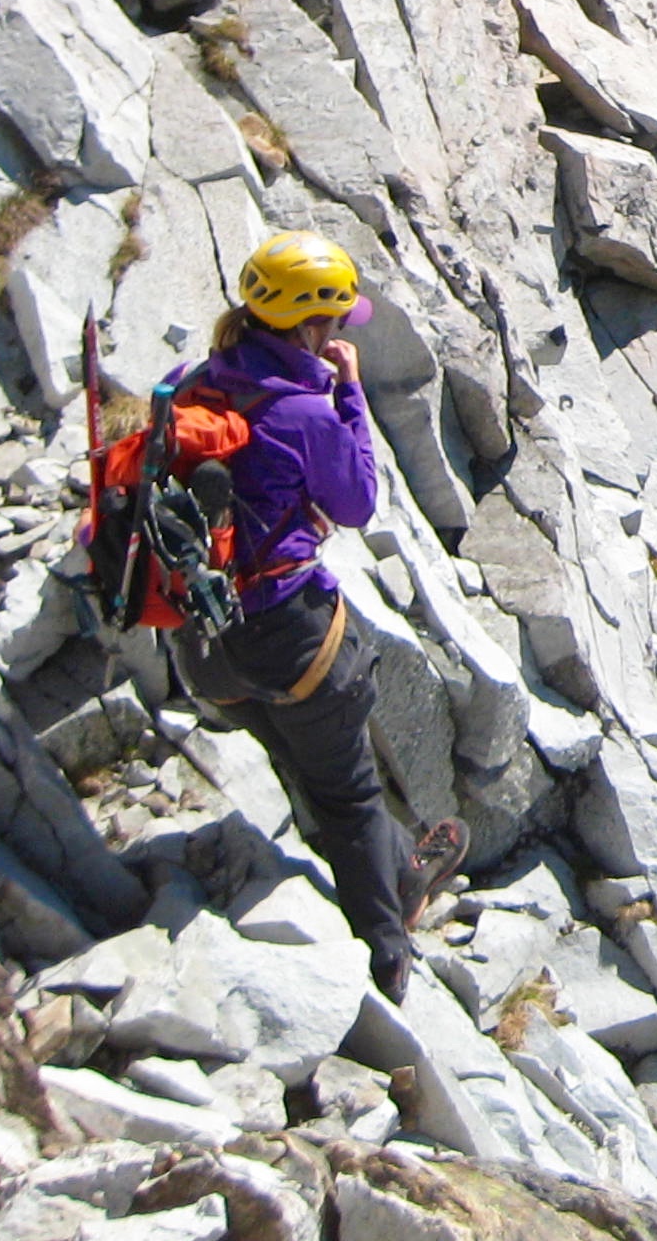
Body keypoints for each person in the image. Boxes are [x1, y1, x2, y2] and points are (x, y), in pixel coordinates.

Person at [170, 228, 462, 998]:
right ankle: (389, 949)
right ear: (310, 326)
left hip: (202, 644)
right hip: (291, 638)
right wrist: (349, 394)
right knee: (349, 791)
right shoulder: (305, 411)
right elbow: (357, 502)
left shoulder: (201, 380)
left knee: (304, 760)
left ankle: (399, 860)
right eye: (335, 320)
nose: (340, 332)